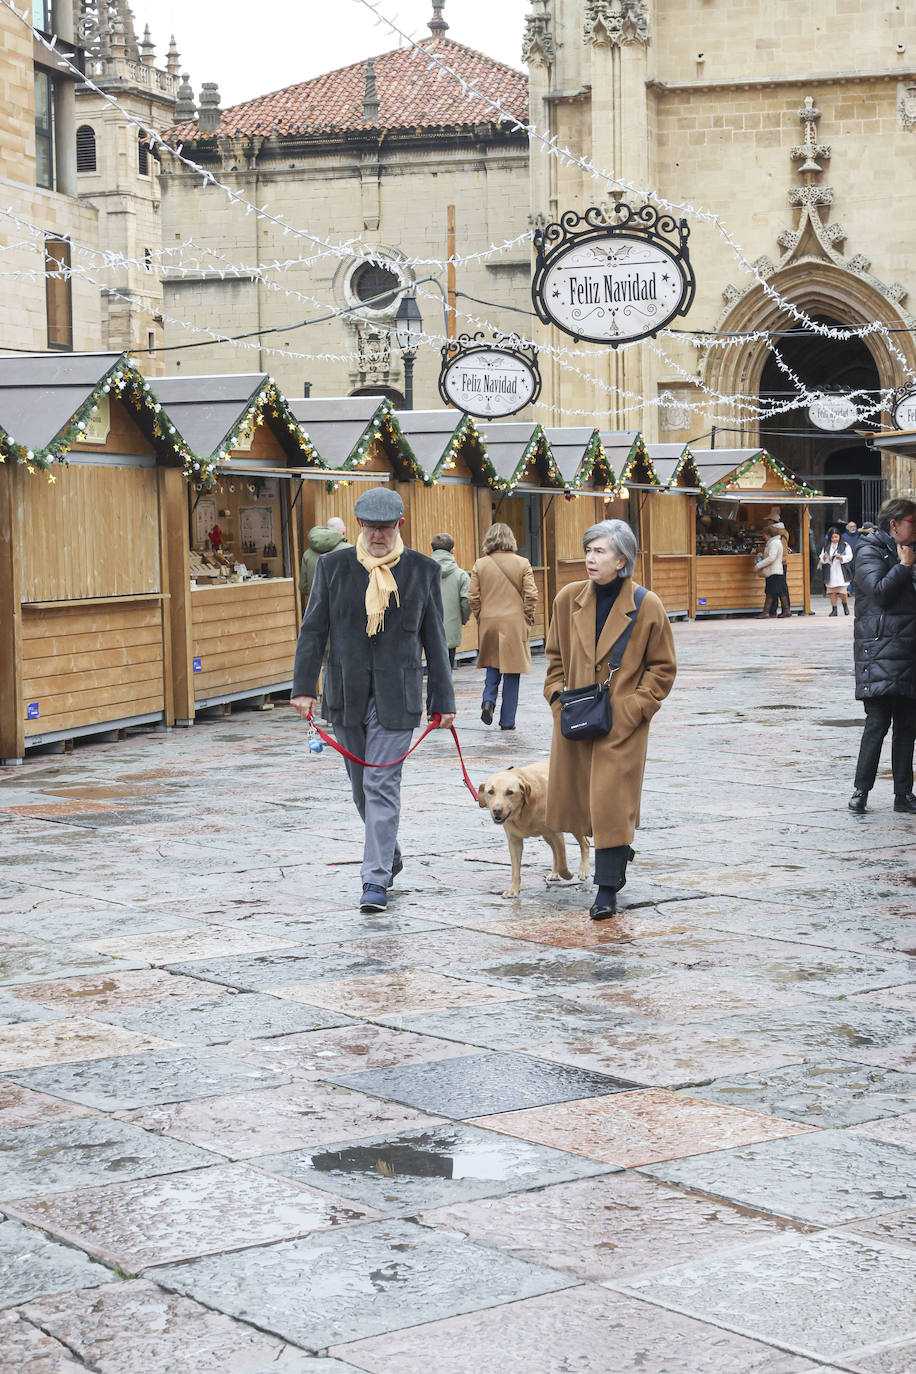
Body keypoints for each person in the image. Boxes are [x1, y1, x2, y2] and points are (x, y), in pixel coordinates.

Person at [290, 487, 455, 910]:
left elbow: (435, 639)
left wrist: (443, 701)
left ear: (399, 526)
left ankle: (374, 880)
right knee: (361, 787)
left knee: (381, 782)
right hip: (346, 692)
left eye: (385, 528)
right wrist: (304, 688)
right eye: (369, 527)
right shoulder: (334, 567)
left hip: (397, 698)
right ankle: (388, 853)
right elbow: (313, 629)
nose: (377, 535)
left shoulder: (422, 570)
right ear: (359, 525)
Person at [544, 519, 677, 920]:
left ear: (622, 559)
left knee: (612, 805)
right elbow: (553, 659)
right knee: (582, 803)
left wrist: (633, 709)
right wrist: (557, 701)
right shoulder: (567, 599)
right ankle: (613, 863)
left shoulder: (646, 604)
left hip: (621, 726)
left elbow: (663, 668)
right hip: (575, 721)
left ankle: (606, 888)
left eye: (599, 551)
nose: (590, 558)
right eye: (588, 550)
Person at [848, 498, 916, 815]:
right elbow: (879, 591)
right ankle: (861, 791)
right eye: (912, 523)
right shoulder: (869, 549)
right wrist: (903, 567)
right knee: (877, 723)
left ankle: (904, 794)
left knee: (907, 726)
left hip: (908, 651)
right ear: (894, 523)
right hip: (878, 651)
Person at [469, 522, 538, 731]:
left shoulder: (480, 564)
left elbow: (473, 596)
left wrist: (481, 615)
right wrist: (528, 615)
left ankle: (488, 701)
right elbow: (531, 594)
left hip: (489, 621)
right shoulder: (523, 563)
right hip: (514, 622)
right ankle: (507, 721)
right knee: (512, 672)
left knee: (493, 664)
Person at [430, 533, 471, 669]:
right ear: (452, 550)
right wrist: (463, 619)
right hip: (452, 628)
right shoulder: (461, 575)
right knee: (447, 670)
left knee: (432, 666)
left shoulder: (424, 572)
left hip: (428, 628)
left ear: (433, 550)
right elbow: (466, 602)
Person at [299, 516, 348, 599]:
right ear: (343, 531)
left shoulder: (307, 554)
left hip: (317, 606)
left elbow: (303, 587)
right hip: (343, 606)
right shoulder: (349, 550)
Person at [753, 523, 787, 619]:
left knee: (770, 591)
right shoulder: (776, 542)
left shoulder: (774, 543)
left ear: (768, 534)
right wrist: (762, 556)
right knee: (778, 591)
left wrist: (758, 565)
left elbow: (772, 557)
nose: (764, 536)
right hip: (776, 570)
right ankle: (786, 610)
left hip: (774, 571)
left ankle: (766, 612)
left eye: (764, 534)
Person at [819, 526, 854, 616]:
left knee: (842, 591)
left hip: (841, 571)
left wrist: (842, 558)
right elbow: (822, 557)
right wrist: (824, 558)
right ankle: (834, 609)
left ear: (839, 536)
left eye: (836, 537)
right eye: (833, 537)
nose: (834, 539)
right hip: (830, 571)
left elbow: (850, 556)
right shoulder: (826, 546)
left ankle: (845, 606)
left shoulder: (845, 545)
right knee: (831, 591)